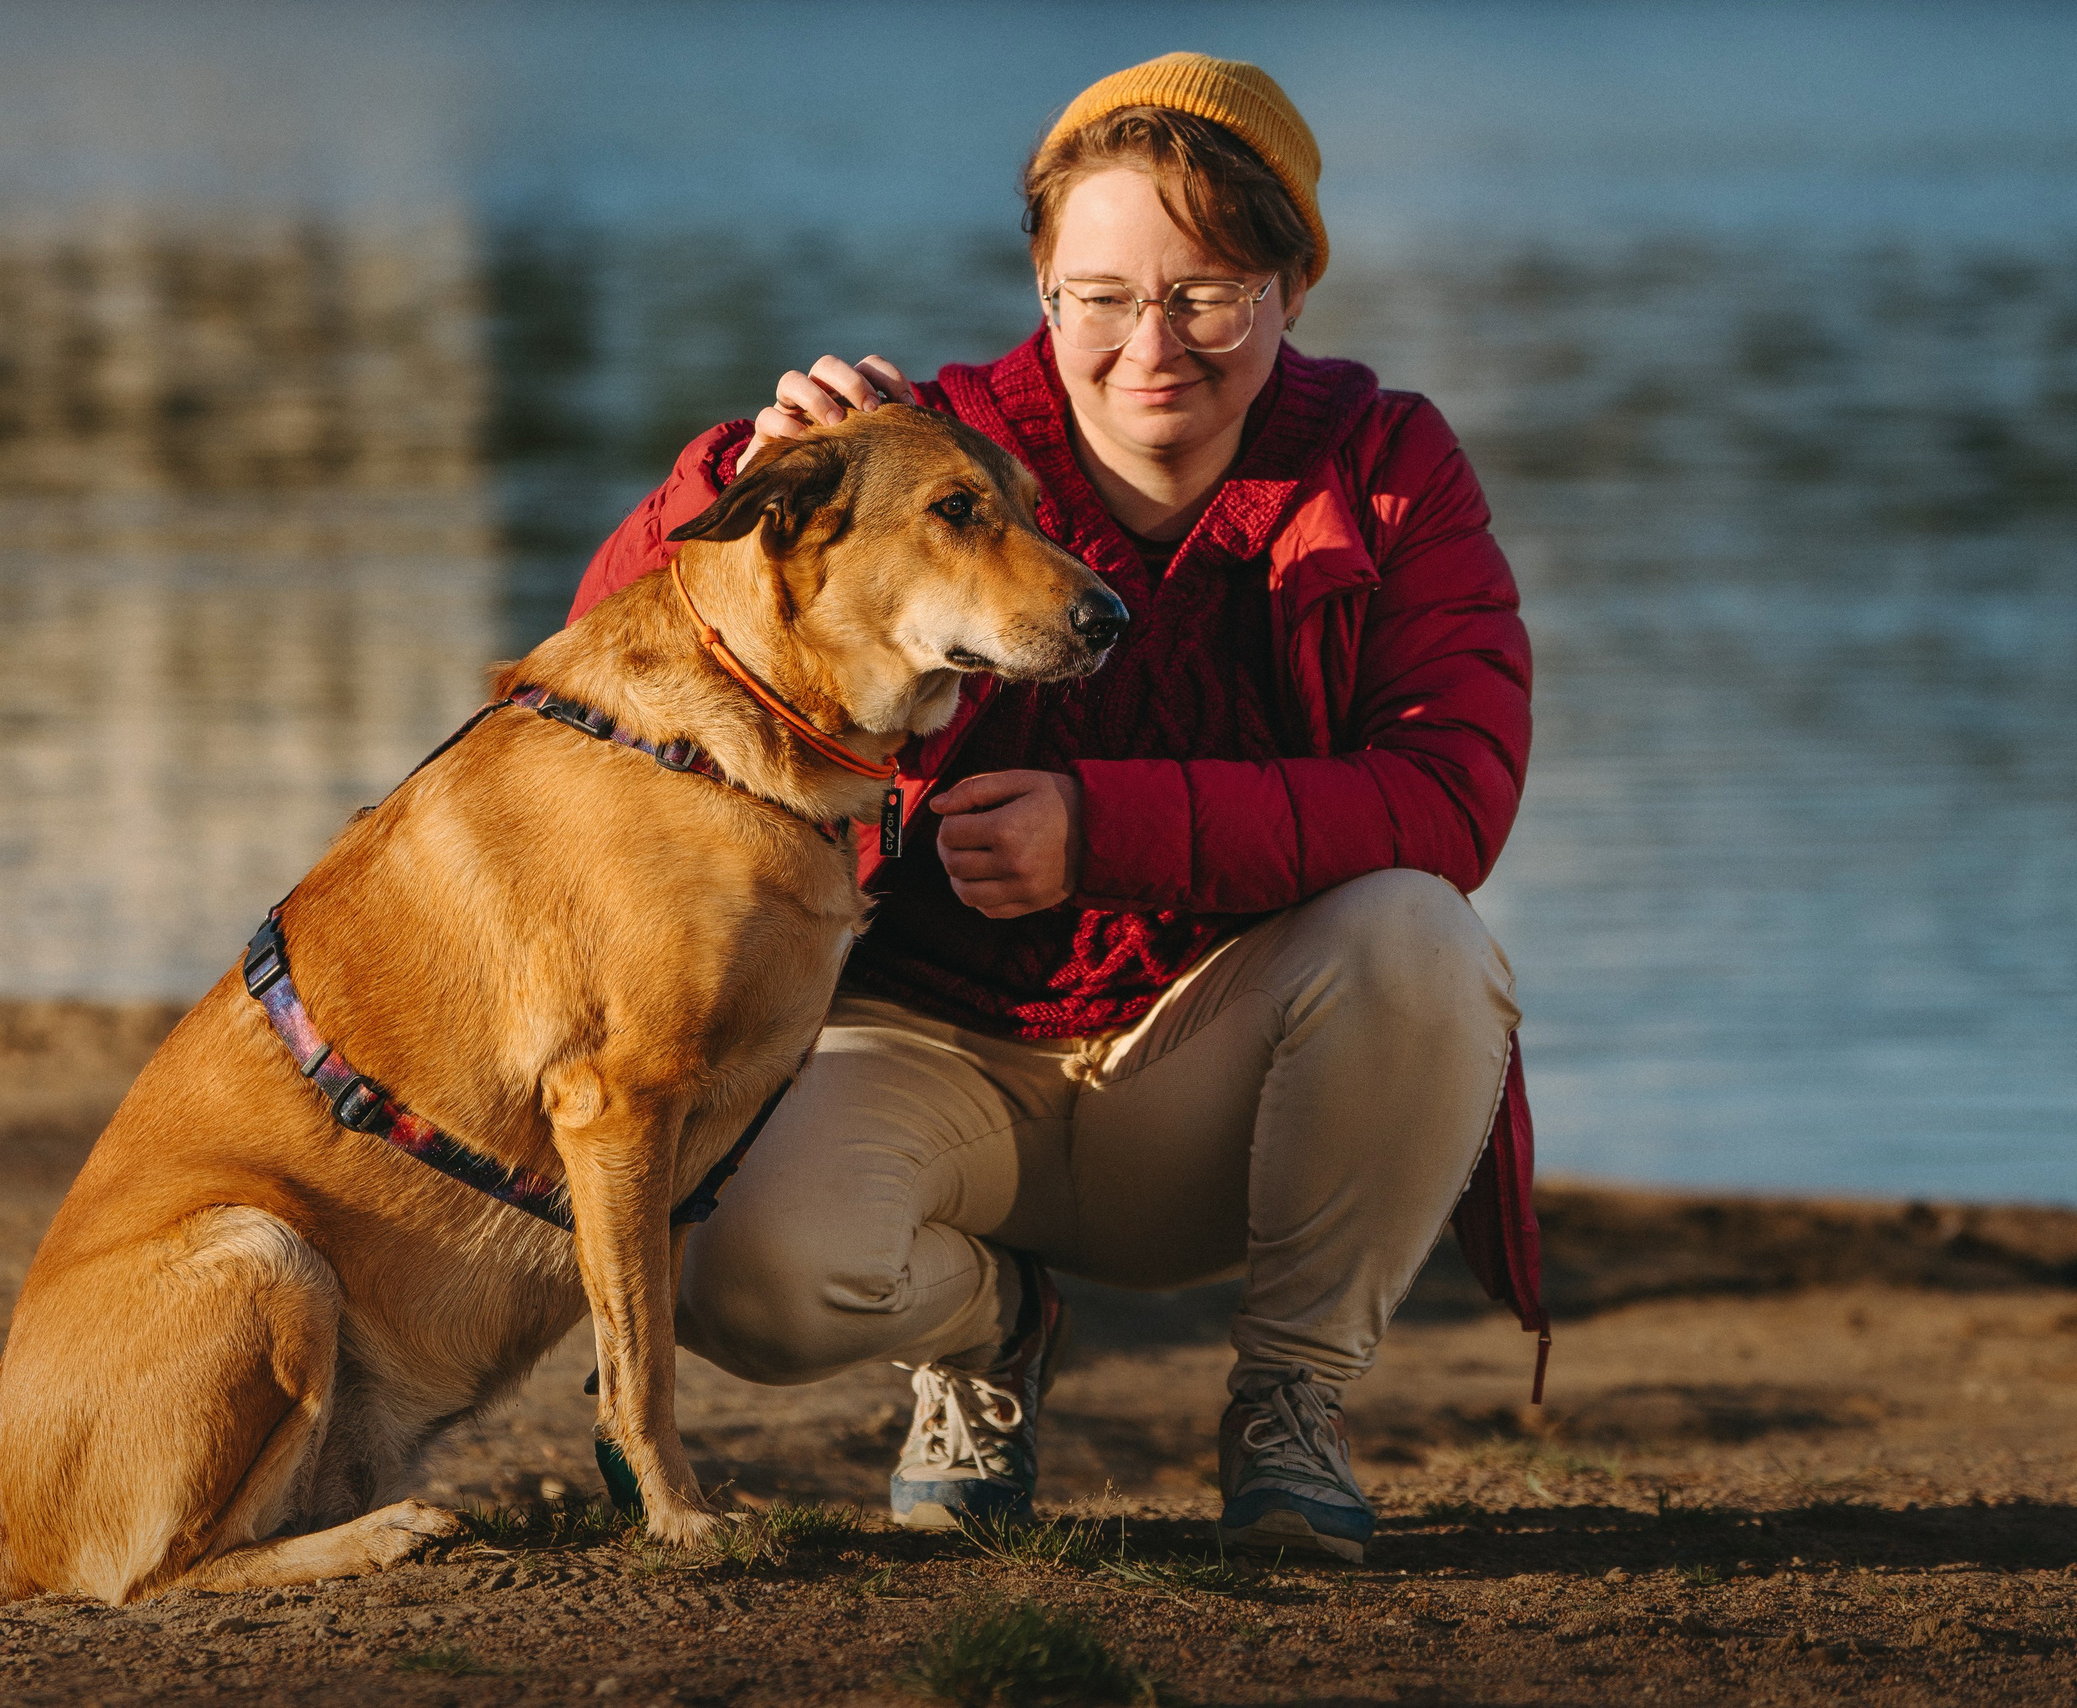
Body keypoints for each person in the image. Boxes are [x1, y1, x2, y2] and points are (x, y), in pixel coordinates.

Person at [566, 53, 1544, 1564]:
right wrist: (740, 476)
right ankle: (988, 1338)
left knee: (1422, 936)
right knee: (740, 1281)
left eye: (1207, 290)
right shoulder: (919, 451)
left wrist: (1105, 831)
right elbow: (613, 675)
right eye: (1100, 294)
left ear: (1292, 286)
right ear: (1042, 286)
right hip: (932, 1056)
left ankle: (1291, 1405)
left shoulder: (1386, 467)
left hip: (1218, 1079)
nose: (1150, 343)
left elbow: (1453, 796)